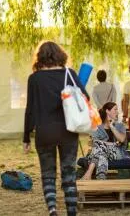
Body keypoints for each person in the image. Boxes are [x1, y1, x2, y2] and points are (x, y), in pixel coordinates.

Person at [23, 41, 89, 216]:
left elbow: (30, 109)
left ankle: (52, 209)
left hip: (44, 132)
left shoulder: (34, 78)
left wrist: (26, 137)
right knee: (69, 175)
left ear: (40, 57)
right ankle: (72, 212)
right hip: (68, 131)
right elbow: (85, 98)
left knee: (48, 174)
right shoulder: (70, 74)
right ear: (60, 55)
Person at [81, 102, 127, 180]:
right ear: (107, 111)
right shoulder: (97, 127)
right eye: (115, 109)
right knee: (101, 156)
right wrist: (113, 144)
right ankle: (101, 179)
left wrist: (111, 126)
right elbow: (93, 143)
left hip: (117, 154)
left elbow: (121, 139)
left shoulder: (120, 126)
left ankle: (89, 172)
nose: (117, 112)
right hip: (100, 154)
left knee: (99, 145)